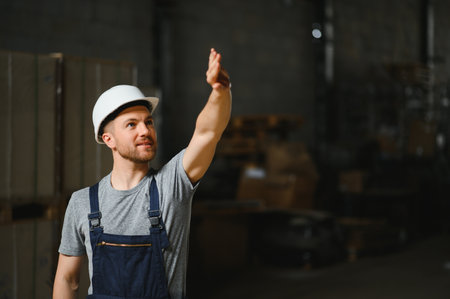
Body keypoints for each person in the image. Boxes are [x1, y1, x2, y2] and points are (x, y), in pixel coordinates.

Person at [53, 48, 231, 299]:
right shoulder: (82, 203)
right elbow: (67, 279)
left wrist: (220, 90)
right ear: (109, 139)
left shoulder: (172, 186)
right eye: (131, 125)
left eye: (148, 122)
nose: (145, 130)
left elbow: (208, 133)